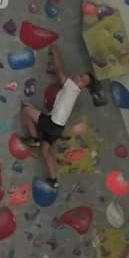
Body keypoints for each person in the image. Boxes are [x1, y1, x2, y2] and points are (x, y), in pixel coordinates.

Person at [21, 43, 94, 189]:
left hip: (52, 123)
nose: (79, 78)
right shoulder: (74, 92)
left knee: (26, 111)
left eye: (82, 80)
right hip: (58, 128)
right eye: (81, 76)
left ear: (83, 87)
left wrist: (55, 52)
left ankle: (34, 138)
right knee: (45, 151)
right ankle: (53, 180)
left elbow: (60, 70)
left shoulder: (72, 86)